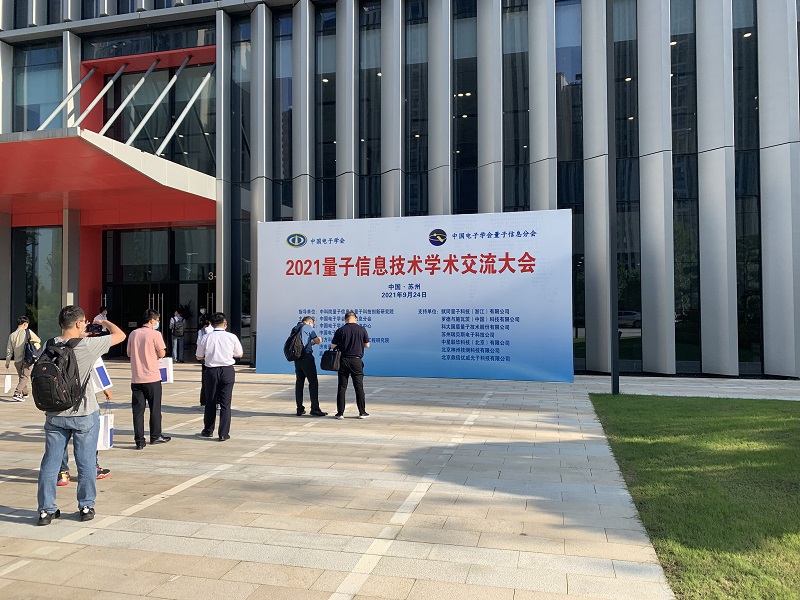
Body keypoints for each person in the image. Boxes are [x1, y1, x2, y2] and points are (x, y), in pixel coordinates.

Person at [35, 305, 125, 526]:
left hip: (55, 413)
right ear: (78, 324)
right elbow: (120, 335)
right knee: (86, 462)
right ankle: (86, 506)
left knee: (50, 463)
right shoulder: (88, 345)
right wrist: (103, 322)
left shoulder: (49, 344)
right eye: (84, 322)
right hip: (84, 413)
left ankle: (46, 510)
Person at [127, 309, 171, 450]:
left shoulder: (133, 334)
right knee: (155, 408)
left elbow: (129, 353)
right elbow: (162, 353)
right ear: (152, 320)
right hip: (152, 377)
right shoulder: (155, 334)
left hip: (137, 378)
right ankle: (155, 435)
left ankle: (139, 440)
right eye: (157, 320)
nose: (158, 322)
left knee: (138, 411)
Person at [196, 312, 243, 441]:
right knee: (225, 403)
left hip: (211, 371)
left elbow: (199, 356)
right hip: (227, 370)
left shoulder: (206, 337)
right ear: (225, 324)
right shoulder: (231, 337)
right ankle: (223, 433)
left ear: (211, 324)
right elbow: (239, 354)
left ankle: (208, 430)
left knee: (210, 401)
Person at [58, 388, 113, 486]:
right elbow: (97, 376)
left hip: (59, 401)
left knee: (60, 439)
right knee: (88, 439)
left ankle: (62, 473)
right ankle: (92, 469)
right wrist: (105, 388)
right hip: (84, 404)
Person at [330, 311, 370, 419]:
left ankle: (340, 413)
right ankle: (362, 412)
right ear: (355, 318)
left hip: (343, 360)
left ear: (345, 319)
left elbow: (332, 345)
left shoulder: (340, 330)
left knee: (342, 387)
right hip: (356, 360)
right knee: (359, 387)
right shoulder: (362, 329)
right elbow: (367, 345)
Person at [292, 316, 327, 417]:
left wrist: (310, 343)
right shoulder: (308, 327)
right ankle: (315, 409)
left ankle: (299, 408)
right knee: (313, 382)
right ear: (310, 322)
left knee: (299, 383)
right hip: (306, 357)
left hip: (297, 358)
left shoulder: (295, 328)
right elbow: (317, 340)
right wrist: (319, 339)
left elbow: (299, 343)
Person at [5, 316, 41, 401]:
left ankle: (25, 393)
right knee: (24, 376)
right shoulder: (27, 332)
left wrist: (7, 362)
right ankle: (17, 393)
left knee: (22, 377)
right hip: (27, 358)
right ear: (25, 324)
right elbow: (38, 340)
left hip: (17, 360)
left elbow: (9, 350)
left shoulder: (12, 335)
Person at [196, 316, 213, 408]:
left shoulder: (202, 332)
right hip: (219, 361)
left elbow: (199, 344)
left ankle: (204, 402)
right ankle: (217, 401)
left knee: (205, 381)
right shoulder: (224, 334)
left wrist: (200, 356)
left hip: (206, 360)